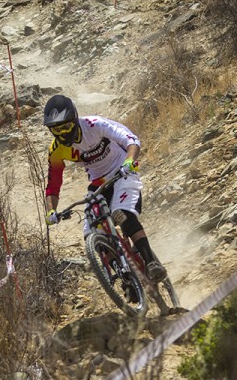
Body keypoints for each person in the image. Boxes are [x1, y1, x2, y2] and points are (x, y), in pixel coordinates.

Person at [43, 94, 168, 282]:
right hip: (98, 183)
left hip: (122, 171)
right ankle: (125, 280)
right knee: (91, 232)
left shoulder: (95, 125)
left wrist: (129, 161)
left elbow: (131, 140)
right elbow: (53, 185)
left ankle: (151, 262)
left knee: (121, 212)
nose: (62, 134)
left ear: (74, 119)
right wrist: (51, 211)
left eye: (65, 127)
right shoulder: (56, 150)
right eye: (55, 130)